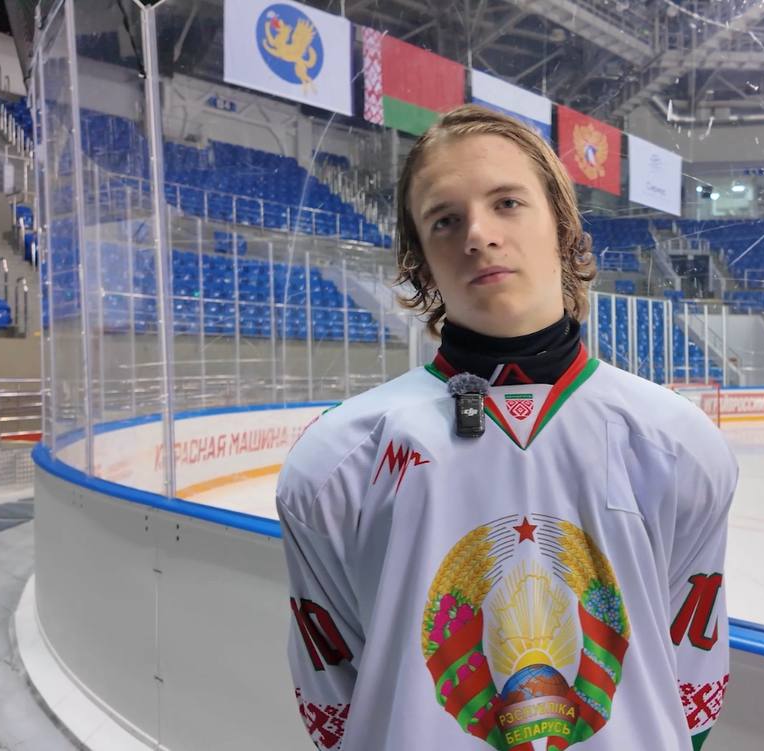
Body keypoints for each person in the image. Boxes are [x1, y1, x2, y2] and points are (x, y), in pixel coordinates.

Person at [277, 104, 738, 750]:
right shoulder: (336, 462)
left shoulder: (679, 444)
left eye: (507, 203)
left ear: (563, 225)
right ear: (420, 260)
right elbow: (334, 700)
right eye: (444, 220)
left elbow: (691, 687)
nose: (478, 234)